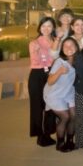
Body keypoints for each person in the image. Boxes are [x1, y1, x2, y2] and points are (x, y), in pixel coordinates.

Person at [43, 37, 79, 152]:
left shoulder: (78, 60)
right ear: (62, 49)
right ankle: (60, 142)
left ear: (76, 47)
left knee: (74, 115)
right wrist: (59, 72)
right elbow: (50, 81)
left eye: (71, 45)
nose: (69, 48)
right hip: (54, 94)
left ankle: (70, 141)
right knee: (65, 116)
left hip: (68, 92)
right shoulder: (59, 62)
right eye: (65, 46)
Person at [29, 16, 58, 146]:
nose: (46, 28)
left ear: (53, 28)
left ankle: (48, 133)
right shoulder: (34, 43)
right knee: (37, 106)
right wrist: (50, 60)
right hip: (38, 75)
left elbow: (57, 57)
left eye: (49, 26)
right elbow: (36, 62)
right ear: (40, 28)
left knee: (51, 104)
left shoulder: (55, 41)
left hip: (52, 74)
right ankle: (39, 135)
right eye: (44, 26)